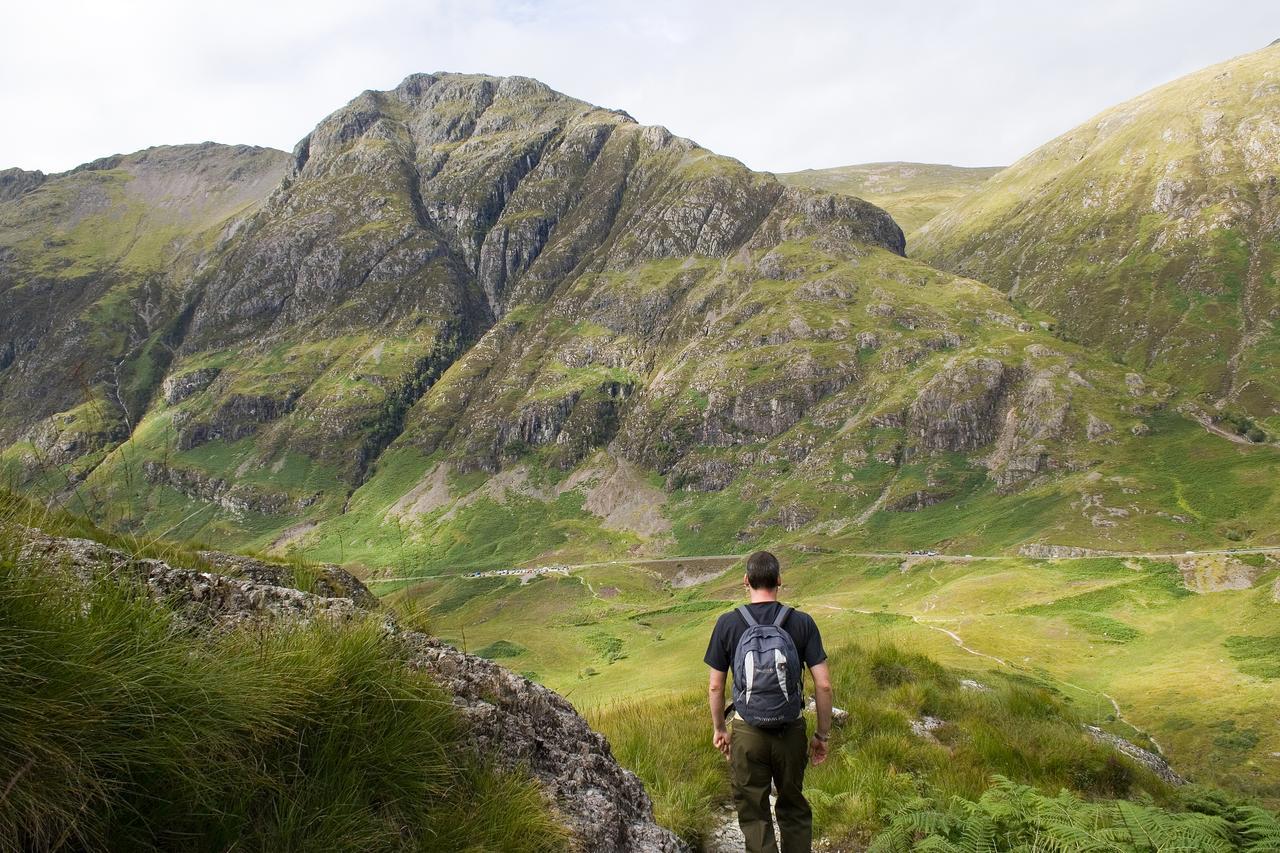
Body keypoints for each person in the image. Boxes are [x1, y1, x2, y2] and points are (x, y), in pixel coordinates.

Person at [704, 551, 832, 853]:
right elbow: (823, 685)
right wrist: (821, 736)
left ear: (745, 581)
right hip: (791, 732)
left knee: (754, 811)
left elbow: (714, 686)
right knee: (793, 807)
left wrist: (720, 729)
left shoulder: (728, 623)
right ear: (779, 581)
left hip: (747, 733)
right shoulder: (802, 622)